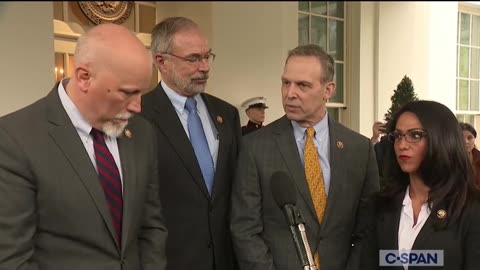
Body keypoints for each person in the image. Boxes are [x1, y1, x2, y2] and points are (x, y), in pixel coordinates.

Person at [0, 24, 167, 269]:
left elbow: (151, 226)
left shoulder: (142, 133)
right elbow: (12, 258)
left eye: (141, 92)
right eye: (127, 93)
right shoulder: (15, 139)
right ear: (84, 77)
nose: (137, 107)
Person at [230, 44, 380, 270]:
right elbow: (245, 229)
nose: (290, 93)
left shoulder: (359, 149)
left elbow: (368, 228)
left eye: (302, 85)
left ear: (328, 90)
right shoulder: (255, 147)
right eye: (285, 82)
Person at [140, 17, 241, 270]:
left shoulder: (227, 115)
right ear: (161, 61)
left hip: (226, 260)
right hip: (169, 261)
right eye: (194, 59)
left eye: (207, 57)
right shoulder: (137, 117)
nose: (205, 67)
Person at [369, 101, 480, 269]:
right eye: (398, 136)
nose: (402, 145)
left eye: (415, 135)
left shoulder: (471, 208)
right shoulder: (383, 205)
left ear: (442, 139)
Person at [460, 122, 480, 186]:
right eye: (461, 138)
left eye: (469, 138)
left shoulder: (478, 158)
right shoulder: (446, 159)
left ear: (474, 139)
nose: (466, 142)